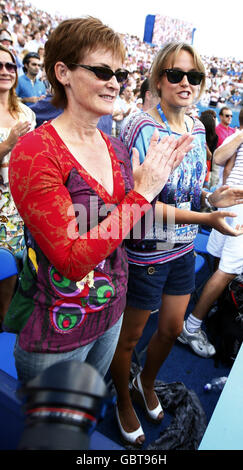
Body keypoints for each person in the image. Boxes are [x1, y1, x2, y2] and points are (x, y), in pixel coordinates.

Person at [3, 18, 193, 384]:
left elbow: (125, 231)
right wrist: (142, 194)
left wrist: (180, 199)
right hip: (57, 333)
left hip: (111, 314)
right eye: (102, 70)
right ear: (63, 72)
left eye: (118, 73)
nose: (114, 82)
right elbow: (73, 261)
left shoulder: (116, 148)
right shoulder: (36, 152)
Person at [110, 41, 243, 446]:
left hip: (184, 250)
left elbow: (193, 190)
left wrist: (210, 199)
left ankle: (146, 381)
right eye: (175, 75)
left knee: (168, 330)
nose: (186, 83)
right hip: (146, 251)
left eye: (195, 76)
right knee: (130, 338)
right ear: (158, 78)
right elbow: (143, 204)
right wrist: (206, 218)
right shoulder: (141, 127)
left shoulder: (199, 127)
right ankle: (122, 398)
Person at [179, 108, 243, 357]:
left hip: (230, 205)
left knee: (221, 268)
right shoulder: (237, 135)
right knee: (225, 271)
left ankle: (211, 306)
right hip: (231, 205)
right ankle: (192, 326)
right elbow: (217, 158)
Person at [0, 44, 36, 329]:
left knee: (9, 280)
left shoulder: (26, 113)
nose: (4, 71)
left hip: (14, 210)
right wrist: (7, 145)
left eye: (10, 66)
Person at [199, 110, 218, 188]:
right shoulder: (195, 133)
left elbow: (210, 156)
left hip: (205, 166)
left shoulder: (215, 137)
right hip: (203, 166)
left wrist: (202, 140)